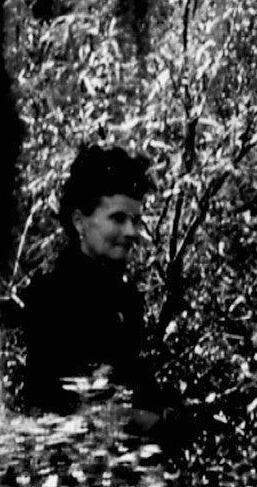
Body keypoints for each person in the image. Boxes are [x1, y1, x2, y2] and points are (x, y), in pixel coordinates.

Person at [12, 141, 167, 415]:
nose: (131, 232)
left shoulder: (125, 297)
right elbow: (49, 401)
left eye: (136, 220)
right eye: (118, 219)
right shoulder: (50, 297)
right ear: (79, 222)